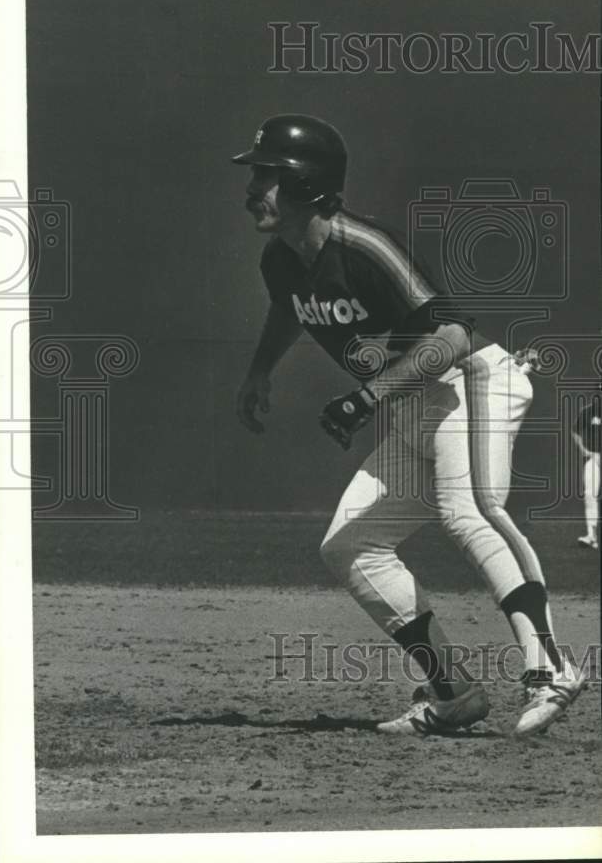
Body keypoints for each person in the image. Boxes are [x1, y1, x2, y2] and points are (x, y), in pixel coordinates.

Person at [232, 113, 585, 738]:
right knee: (350, 547)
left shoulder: (363, 246)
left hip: (467, 385)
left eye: (268, 176)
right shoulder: (281, 260)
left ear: (308, 184)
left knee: (469, 510)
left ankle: (551, 667)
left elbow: (451, 334)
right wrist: (260, 371)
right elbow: (288, 311)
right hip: (411, 402)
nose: (253, 188)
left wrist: (366, 397)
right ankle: (453, 694)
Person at [573, 398, 601, 550]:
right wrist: (586, 451)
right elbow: (576, 431)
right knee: (590, 495)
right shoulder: (589, 411)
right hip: (594, 458)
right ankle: (592, 537)